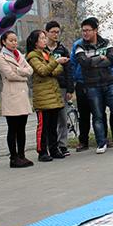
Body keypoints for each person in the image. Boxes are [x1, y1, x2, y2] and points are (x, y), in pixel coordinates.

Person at [75, 18, 113, 154]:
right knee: (98, 115)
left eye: (88, 30)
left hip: (109, 83)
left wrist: (93, 62)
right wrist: (100, 58)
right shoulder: (80, 46)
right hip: (92, 85)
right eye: (83, 30)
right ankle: (101, 142)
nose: (85, 33)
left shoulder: (106, 43)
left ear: (95, 30)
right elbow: (83, 63)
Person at [26, 30, 67, 161]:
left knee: (53, 126)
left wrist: (52, 67)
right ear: (35, 42)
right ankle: (42, 151)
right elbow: (43, 71)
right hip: (43, 97)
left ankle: (54, 149)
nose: (45, 40)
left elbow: (59, 69)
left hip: (53, 95)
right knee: (43, 127)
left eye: (44, 38)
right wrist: (55, 63)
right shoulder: (32, 56)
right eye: (42, 38)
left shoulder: (47, 54)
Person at [0, 31, 34, 168]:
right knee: (13, 128)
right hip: (11, 95)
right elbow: (10, 75)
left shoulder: (19, 54)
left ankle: (22, 155)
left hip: (22, 95)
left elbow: (30, 70)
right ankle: (13, 158)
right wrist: (23, 75)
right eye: (11, 40)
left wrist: (19, 70)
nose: (14, 43)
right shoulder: (2, 57)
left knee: (22, 128)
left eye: (15, 40)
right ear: (4, 42)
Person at [45, 21, 74, 156]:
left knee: (62, 117)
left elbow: (69, 70)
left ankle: (62, 145)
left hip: (61, 87)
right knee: (49, 119)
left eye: (57, 32)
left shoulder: (62, 50)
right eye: (53, 32)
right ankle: (51, 145)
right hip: (47, 88)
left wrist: (70, 89)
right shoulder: (42, 50)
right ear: (46, 33)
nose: (55, 35)